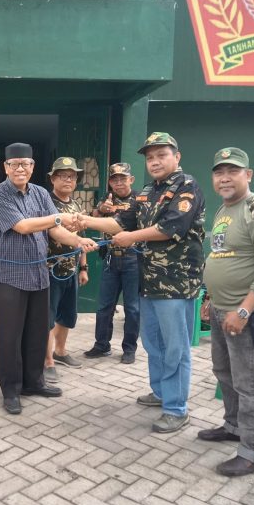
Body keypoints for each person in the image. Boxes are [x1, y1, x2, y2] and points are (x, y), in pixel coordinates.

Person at [79, 132, 205, 433]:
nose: (155, 161)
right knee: (153, 341)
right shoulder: (147, 192)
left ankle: (176, 408)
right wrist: (85, 221)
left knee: (176, 348)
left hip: (175, 283)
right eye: (150, 157)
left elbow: (170, 227)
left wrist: (129, 238)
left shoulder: (187, 186)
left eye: (161, 155)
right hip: (149, 281)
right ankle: (161, 392)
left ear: (177, 156)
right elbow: (120, 223)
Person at [0, 143, 97, 415]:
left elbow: (55, 231)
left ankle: (34, 382)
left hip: (39, 275)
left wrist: (78, 241)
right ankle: (11, 390)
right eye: (14, 164)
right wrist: (57, 217)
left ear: (33, 167)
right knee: (9, 335)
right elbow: (23, 227)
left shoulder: (39, 194)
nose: (20, 168)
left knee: (37, 332)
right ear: (6, 167)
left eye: (25, 163)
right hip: (9, 276)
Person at [200, 147, 254, 476]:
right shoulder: (225, 209)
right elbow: (221, 256)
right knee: (225, 375)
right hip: (221, 309)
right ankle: (232, 427)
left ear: (248, 175)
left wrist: (244, 312)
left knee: (250, 385)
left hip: (244, 315)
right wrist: (210, 297)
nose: (224, 178)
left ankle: (252, 453)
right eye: (219, 172)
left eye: (232, 171)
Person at [83, 162, 140, 365]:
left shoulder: (139, 199)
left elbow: (121, 224)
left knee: (132, 307)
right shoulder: (106, 199)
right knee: (105, 305)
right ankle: (102, 345)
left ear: (131, 180)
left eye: (122, 178)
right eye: (114, 179)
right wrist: (100, 210)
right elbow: (93, 218)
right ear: (110, 182)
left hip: (133, 258)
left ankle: (129, 348)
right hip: (110, 258)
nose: (118, 183)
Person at [43, 157, 88, 384]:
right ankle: (47, 360)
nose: (68, 180)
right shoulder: (45, 203)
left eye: (72, 176)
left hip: (71, 269)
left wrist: (84, 267)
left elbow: (80, 239)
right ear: (52, 178)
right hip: (50, 269)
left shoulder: (77, 205)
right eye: (62, 175)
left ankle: (60, 351)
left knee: (68, 315)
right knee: (48, 317)